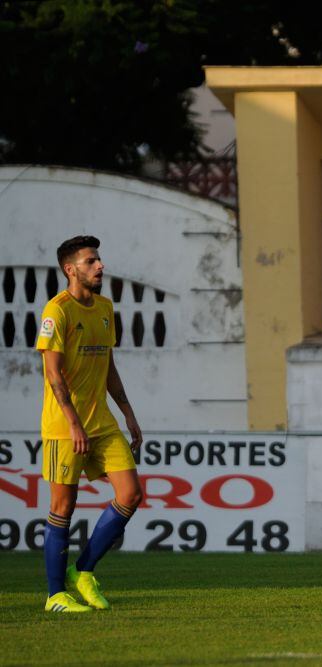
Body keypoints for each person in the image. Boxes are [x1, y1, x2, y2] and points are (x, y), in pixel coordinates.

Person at [37, 235, 144, 613]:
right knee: (63, 506)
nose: (100, 266)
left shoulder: (104, 307)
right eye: (90, 261)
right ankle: (55, 596)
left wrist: (128, 411)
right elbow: (53, 375)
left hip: (102, 421)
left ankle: (82, 572)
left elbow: (108, 366)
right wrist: (74, 424)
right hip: (65, 427)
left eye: (99, 260)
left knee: (130, 494)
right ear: (71, 269)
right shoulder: (57, 311)